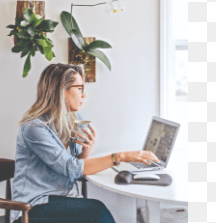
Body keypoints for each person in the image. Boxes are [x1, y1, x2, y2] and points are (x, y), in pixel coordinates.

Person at [9, 63, 161, 223]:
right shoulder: (34, 128)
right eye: (79, 88)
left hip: (63, 197)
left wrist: (85, 152)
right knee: (96, 211)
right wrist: (121, 156)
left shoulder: (74, 120)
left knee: (96, 211)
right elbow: (71, 168)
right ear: (61, 90)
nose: (84, 95)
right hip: (32, 207)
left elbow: (73, 167)